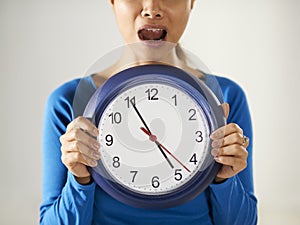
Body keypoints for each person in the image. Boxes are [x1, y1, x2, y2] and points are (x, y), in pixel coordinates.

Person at [40, 1, 257, 224]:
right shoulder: (68, 101)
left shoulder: (227, 96)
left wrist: (224, 179)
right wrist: (79, 179)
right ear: (113, 2)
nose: (151, 9)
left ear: (191, 2)